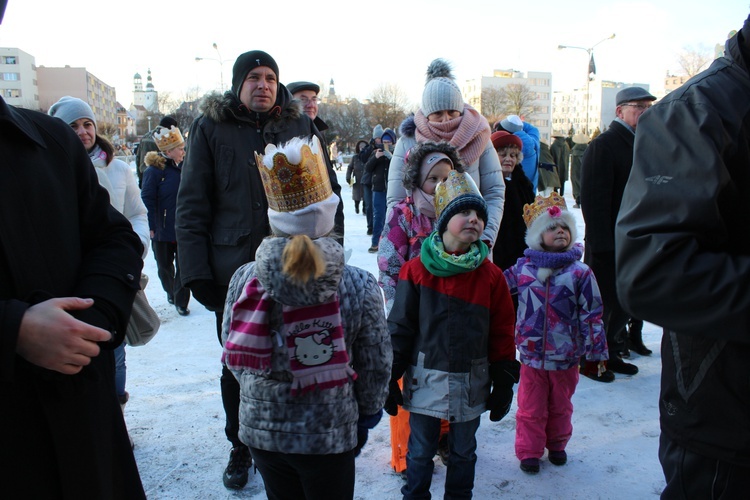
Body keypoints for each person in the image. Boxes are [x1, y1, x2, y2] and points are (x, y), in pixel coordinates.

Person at [175, 50, 345, 490]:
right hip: (236, 270)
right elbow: (192, 202)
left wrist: (333, 251)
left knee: (305, 354)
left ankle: (299, 439)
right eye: (253, 77)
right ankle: (242, 444)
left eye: (270, 77)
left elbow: (329, 191)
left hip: (299, 265)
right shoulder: (210, 128)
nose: (263, 85)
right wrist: (194, 272)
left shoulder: (298, 125)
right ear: (238, 84)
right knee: (240, 365)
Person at [0, 3, 145, 495]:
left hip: (80, 421)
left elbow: (114, 237)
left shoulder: (47, 144)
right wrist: (13, 328)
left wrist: (92, 320)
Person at [615, 17, 750, 498]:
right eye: (637, 105)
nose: (643, 110)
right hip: (727, 425)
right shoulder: (697, 110)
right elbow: (651, 266)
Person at [221, 136, 391, 499]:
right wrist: (367, 413)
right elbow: (375, 361)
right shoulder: (357, 283)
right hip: (329, 433)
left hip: (263, 433)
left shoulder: (244, 279)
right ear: (328, 214)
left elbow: (234, 356)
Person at [386, 170, 519, 499]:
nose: (474, 219)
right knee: (419, 451)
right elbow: (401, 327)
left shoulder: (491, 276)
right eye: (464, 212)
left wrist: (503, 378)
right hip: (424, 381)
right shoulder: (415, 271)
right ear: (444, 220)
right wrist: (389, 374)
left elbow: (502, 330)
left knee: (463, 452)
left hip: (470, 381)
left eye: (479, 214)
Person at [48, 96, 150, 442]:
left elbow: (136, 213)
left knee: (113, 347)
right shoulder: (46, 167)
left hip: (111, 273)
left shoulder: (118, 169)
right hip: (65, 277)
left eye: (87, 124)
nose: (82, 131)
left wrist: (132, 251)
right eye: (73, 126)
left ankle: (115, 418)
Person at [504, 193, 608, 473]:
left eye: (564, 227)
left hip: (566, 356)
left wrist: (596, 350)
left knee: (561, 405)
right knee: (530, 406)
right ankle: (529, 450)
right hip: (531, 356)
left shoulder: (580, 273)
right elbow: (497, 289)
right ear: (538, 236)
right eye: (552, 227)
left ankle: (558, 443)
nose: (560, 231)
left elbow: (592, 313)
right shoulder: (523, 269)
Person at [377, 141, 463, 474]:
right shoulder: (404, 214)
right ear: (417, 182)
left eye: (448, 178)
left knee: (443, 381)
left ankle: (442, 436)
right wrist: (401, 309)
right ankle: (405, 454)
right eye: (434, 179)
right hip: (411, 318)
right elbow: (388, 263)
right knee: (409, 386)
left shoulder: (457, 216)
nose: (441, 187)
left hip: (446, 318)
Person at [579, 85, 656, 381]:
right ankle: (591, 361)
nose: (644, 112)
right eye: (638, 106)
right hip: (609, 244)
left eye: (648, 107)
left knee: (624, 304)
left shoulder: (644, 143)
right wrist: (601, 245)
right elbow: (594, 199)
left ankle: (612, 352)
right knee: (602, 306)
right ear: (620, 111)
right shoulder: (606, 144)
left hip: (635, 242)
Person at [386, 59, 504, 251]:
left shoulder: (480, 137)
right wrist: (399, 244)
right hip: (421, 248)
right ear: (426, 114)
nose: (446, 120)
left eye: (452, 112)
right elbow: (395, 199)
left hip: (470, 247)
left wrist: (484, 238)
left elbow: (494, 192)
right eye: (438, 113)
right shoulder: (409, 140)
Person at [141, 125, 191, 316]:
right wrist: (151, 226)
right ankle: (170, 292)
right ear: (169, 151)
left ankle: (181, 301)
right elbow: (147, 198)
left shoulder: (185, 168)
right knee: (164, 266)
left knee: (184, 266)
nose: (183, 151)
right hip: (162, 228)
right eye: (180, 148)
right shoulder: (154, 172)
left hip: (183, 227)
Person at [490, 131, 535, 273]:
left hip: (520, 248)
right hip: (496, 246)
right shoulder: (487, 183)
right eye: (503, 155)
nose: (509, 159)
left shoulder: (523, 183)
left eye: (513, 155)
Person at [365, 127, 396, 253]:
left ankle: (392, 242)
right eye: (385, 142)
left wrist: (391, 157)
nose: (386, 144)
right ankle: (375, 243)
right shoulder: (376, 152)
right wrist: (376, 157)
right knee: (378, 216)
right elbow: (367, 168)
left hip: (393, 190)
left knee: (393, 217)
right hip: (378, 189)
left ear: (393, 142)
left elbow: (401, 167)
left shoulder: (397, 153)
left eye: (389, 142)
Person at [497, 114, 540, 193]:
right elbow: (533, 129)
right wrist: (518, 123)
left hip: (512, 191)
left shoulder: (510, 147)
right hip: (530, 192)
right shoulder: (533, 142)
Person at [136, 115, 179, 187]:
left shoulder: (145, 137)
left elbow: (138, 158)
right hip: (160, 177)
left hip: (145, 175)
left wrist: (140, 178)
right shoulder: (166, 137)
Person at [362, 124, 383, 236]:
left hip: (379, 183)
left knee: (378, 208)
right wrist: (371, 147)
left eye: (381, 138)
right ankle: (370, 226)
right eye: (377, 138)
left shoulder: (385, 148)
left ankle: (378, 227)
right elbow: (363, 158)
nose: (379, 140)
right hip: (368, 181)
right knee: (369, 205)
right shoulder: (369, 148)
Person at [346, 140, 368, 214]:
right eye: (360, 146)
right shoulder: (355, 157)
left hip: (366, 179)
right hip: (357, 179)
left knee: (365, 194)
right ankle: (356, 206)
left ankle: (364, 208)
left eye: (363, 147)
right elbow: (350, 167)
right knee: (357, 195)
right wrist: (348, 177)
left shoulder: (368, 157)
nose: (362, 148)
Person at [569, 133, 589, 208]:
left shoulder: (575, 150)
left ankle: (578, 202)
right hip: (586, 170)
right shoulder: (589, 149)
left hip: (576, 171)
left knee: (576, 186)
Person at [550, 132, 571, 196]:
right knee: (562, 181)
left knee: (555, 181)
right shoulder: (566, 145)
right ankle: (562, 195)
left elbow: (551, 156)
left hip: (556, 166)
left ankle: (555, 194)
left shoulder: (554, 145)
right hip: (564, 166)